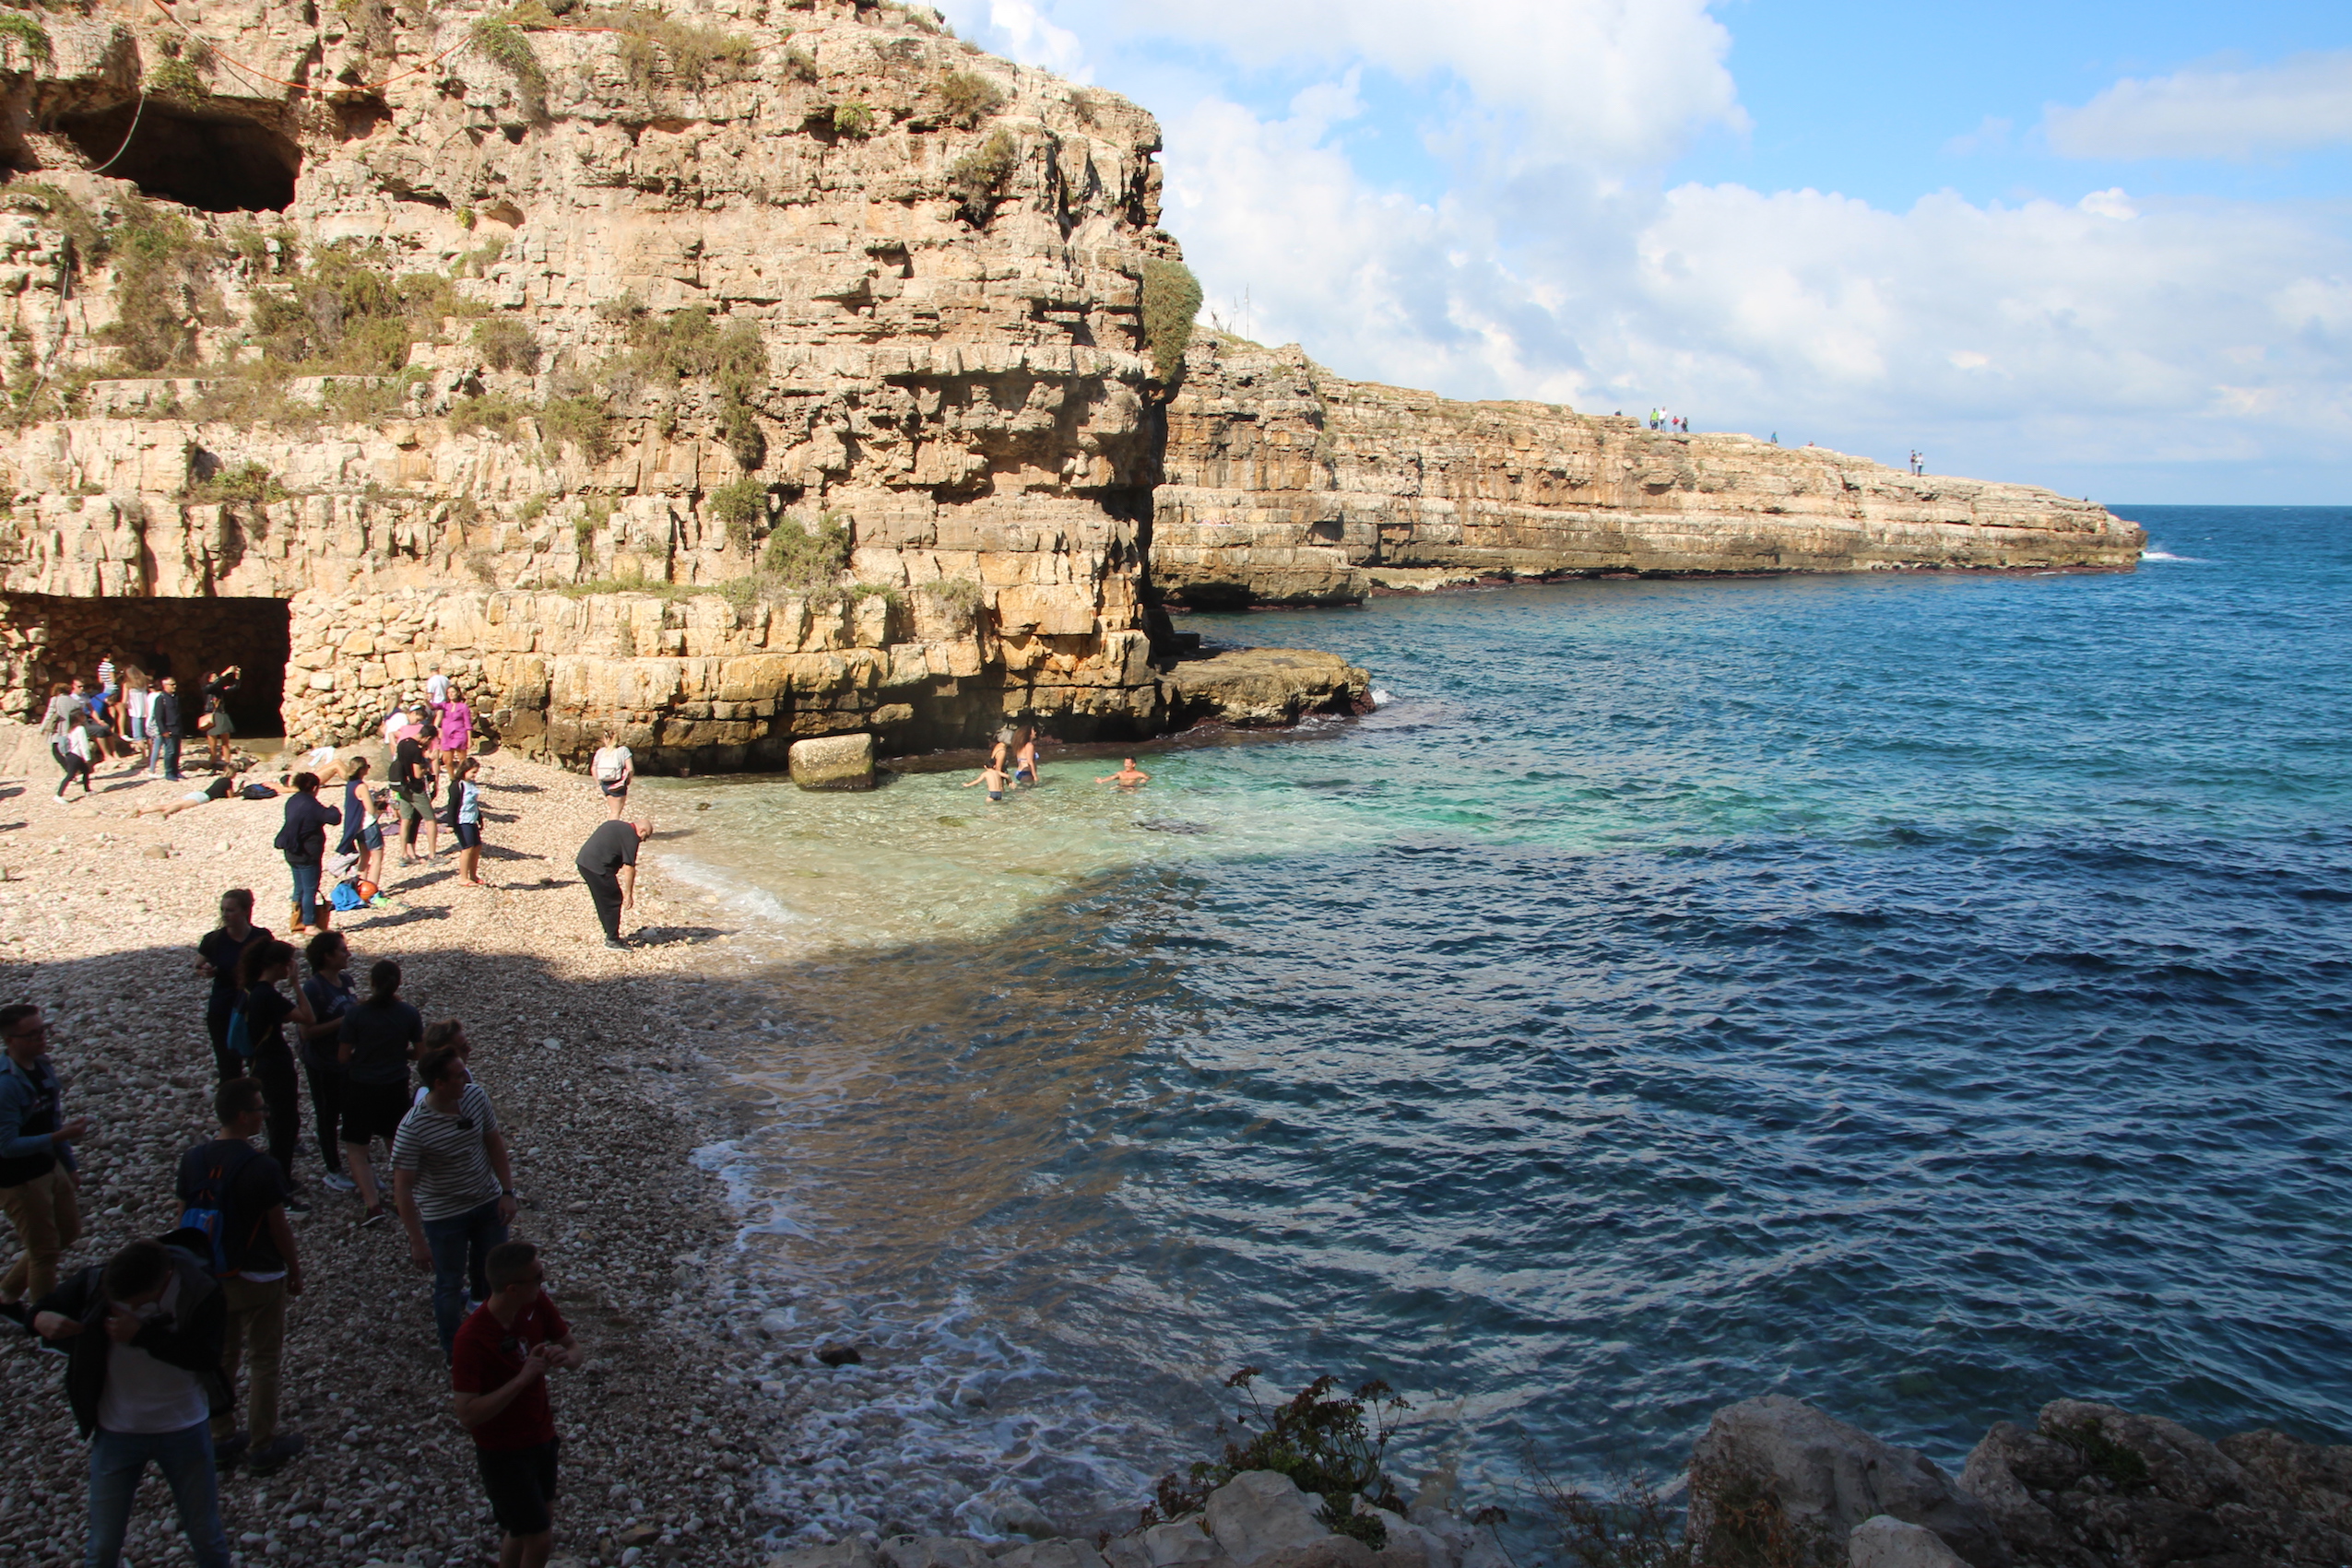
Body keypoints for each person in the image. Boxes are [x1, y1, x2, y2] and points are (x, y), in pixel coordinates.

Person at [30, 1238, 233, 1568]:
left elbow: (206, 1357)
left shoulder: (201, 1290)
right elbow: (42, 1308)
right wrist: (39, 1319)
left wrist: (141, 1335)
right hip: (117, 1432)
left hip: (185, 1428)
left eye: (134, 1302)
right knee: (103, 1545)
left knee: (205, 1534)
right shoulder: (98, 1280)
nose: (124, 1305)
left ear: (164, 1280)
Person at [175, 1077, 305, 1476]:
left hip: (210, 1275)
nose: (265, 1115)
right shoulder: (261, 1167)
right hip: (258, 1274)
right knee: (263, 1359)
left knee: (223, 1356)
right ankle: (263, 1444)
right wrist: (295, 1269)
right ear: (244, 1116)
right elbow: (278, 1226)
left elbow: (181, 1218)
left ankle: (220, 1436)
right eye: (261, 1109)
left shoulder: (193, 1160)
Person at [451, 1241, 582, 1568]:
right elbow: (466, 1414)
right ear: (512, 1288)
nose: (543, 1282)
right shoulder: (471, 1338)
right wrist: (522, 1380)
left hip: (542, 1436)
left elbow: (575, 1350)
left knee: (524, 1528)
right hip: (503, 1453)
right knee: (539, 1538)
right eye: (538, 1277)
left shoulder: (537, 1304)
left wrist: (565, 1358)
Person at [392, 1046, 518, 1358]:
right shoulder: (412, 1128)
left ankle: (493, 1339)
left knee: (495, 1276)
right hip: (444, 1215)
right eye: (459, 1075)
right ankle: (455, 1351)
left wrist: (507, 1192)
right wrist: (417, 1241)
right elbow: (402, 1189)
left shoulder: (475, 1097)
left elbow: (494, 1143)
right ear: (439, 1083)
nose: (466, 1078)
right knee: (449, 1284)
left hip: (487, 1201)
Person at [0, 1004, 88, 1325]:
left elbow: (53, 1118)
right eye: (33, 1034)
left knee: (67, 1232)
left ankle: (6, 1296)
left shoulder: (42, 1066)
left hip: (49, 1166)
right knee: (44, 1254)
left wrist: (69, 1164)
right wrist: (59, 1137)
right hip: (19, 1180)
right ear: (10, 1040)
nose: (42, 1038)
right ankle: (44, 1325)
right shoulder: (6, 1085)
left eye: (43, 1030)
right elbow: (7, 1146)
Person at [338, 960, 422, 1227]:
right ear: (398, 983)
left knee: (357, 1148)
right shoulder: (408, 1013)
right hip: (395, 1085)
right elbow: (420, 1052)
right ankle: (401, 1199)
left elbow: (343, 1056)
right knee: (396, 1145)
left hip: (361, 1086)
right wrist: (400, 1053)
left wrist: (362, 1057)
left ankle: (372, 1205)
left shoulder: (356, 1014)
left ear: (372, 983)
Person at [232, 938, 313, 1200]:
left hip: (258, 1063)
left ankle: (281, 1178)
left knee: (277, 1122)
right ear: (279, 965)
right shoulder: (268, 995)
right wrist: (296, 985)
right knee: (284, 1124)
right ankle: (280, 1183)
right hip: (275, 1065)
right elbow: (308, 1018)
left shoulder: (249, 990)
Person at [297, 932, 356, 1195]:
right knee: (327, 1114)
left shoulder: (347, 981)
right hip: (322, 1063)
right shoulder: (313, 989)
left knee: (352, 1111)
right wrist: (343, 1022)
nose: (348, 954)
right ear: (328, 956)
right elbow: (306, 1032)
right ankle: (333, 1169)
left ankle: (359, 1164)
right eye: (342, 950)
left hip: (346, 1060)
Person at [195, 890, 273, 1083]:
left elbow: (273, 966)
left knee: (260, 1061)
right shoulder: (213, 939)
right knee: (228, 1065)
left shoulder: (261, 937)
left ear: (245, 911)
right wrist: (205, 971)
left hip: (253, 1005)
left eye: (230, 910)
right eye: (223, 910)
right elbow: (199, 965)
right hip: (223, 1006)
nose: (225, 915)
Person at [274, 772, 341, 936]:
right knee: (310, 889)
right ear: (314, 787)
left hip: (291, 850)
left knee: (299, 888)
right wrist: (334, 809)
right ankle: (309, 924)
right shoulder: (311, 804)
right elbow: (333, 819)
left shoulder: (292, 801)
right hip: (307, 853)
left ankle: (296, 921)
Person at [573, 817, 649, 950]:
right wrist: (628, 894)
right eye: (645, 837)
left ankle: (609, 932)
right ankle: (612, 940)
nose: (643, 840)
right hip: (597, 868)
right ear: (642, 831)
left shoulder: (616, 825)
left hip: (584, 862)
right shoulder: (631, 836)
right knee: (613, 900)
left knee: (603, 900)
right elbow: (629, 867)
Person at [393, 720, 436, 864]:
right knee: (431, 820)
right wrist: (427, 764)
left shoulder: (402, 743)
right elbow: (417, 774)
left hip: (403, 787)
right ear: (427, 738)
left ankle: (404, 855)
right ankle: (433, 856)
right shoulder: (415, 749)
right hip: (415, 788)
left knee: (405, 820)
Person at [133, 771, 244, 819]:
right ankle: (165, 814)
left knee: (167, 804)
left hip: (198, 793)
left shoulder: (220, 779)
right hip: (204, 797)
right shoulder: (228, 782)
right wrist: (239, 790)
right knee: (181, 806)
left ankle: (142, 811)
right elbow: (230, 796)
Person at [337, 755, 375, 879]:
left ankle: (360, 883)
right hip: (368, 824)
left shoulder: (350, 784)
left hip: (356, 826)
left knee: (364, 857)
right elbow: (371, 810)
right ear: (362, 770)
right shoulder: (361, 786)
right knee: (376, 858)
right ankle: (371, 886)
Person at [452, 757, 488, 887]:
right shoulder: (458, 785)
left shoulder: (471, 784)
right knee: (467, 848)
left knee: (477, 846)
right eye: (473, 772)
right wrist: (451, 824)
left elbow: (474, 804)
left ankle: (473, 875)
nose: (474, 775)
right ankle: (463, 877)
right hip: (462, 820)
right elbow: (452, 805)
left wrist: (479, 818)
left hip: (472, 819)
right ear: (465, 770)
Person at [200, 666, 241, 771]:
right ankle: (213, 764)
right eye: (214, 677)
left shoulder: (220, 690)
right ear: (209, 679)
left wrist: (237, 677)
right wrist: (225, 673)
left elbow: (234, 688)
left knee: (225, 743)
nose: (216, 678)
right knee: (212, 745)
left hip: (221, 714)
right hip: (212, 715)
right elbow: (211, 687)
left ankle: (227, 764)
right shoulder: (207, 689)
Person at [589, 728, 633, 819]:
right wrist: (627, 781)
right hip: (618, 785)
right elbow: (630, 769)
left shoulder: (600, 751)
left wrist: (598, 784)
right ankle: (612, 827)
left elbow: (593, 768)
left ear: (606, 739)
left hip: (605, 784)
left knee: (613, 811)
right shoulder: (623, 750)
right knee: (616, 812)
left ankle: (612, 826)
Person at [53, 713, 95, 800]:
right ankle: (59, 795)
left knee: (85, 770)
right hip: (76, 755)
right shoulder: (80, 729)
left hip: (70, 754)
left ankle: (87, 790)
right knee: (70, 775)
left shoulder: (71, 730)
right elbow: (83, 744)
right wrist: (87, 757)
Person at [152, 676, 184, 781]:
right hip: (168, 728)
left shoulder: (175, 697)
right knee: (170, 751)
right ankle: (169, 772)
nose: (174, 686)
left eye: (175, 684)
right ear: (165, 686)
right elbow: (158, 717)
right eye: (172, 684)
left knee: (177, 751)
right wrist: (163, 730)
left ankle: (176, 771)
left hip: (177, 727)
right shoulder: (161, 699)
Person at [437, 686, 478, 767]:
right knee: (447, 760)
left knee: (462, 758)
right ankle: (451, 775)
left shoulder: (463, 706)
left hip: (459, 734)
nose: (450, 694)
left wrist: (469, 740)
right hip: (446, 736)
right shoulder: (445, 705)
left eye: (453, 692)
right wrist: (426, 700)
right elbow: (433, 706)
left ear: (458, 693)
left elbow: (468, 724)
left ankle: (462, 773)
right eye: (448, 692)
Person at [39, 677, 88, 741]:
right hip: (71, 732)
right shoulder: (75, 702)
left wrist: (42, 728)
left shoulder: (55, 700)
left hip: (58, 732)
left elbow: (49, 715)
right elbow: (81, 718)